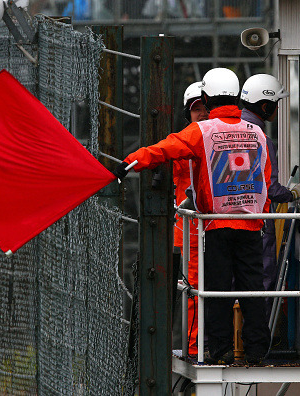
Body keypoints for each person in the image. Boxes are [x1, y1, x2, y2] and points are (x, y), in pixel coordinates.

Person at [113, 67, 272, 365]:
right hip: (251, 225)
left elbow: (164, 149)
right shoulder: (257, 133)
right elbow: (264, 177)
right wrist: (260, 218)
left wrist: (129, 162)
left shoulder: (203, 130)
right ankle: (256, 350)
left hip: (215, 223)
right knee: (252, 288)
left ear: (208, 98)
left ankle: (220, 349)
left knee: (214, 289)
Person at [239, 74, 300, 320]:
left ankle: (230, 340)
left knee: (231, 282)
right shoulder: (262, 139)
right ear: (265, 106)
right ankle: (257, 337)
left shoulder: (225, 130)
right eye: (275, 103)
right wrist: (292, 193)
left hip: (223, 219)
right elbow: (270, 188)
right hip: (257, 222)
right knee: (262, 280)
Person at [173, 81, 208, 355]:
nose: (202, 113)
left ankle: (213, 343)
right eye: (197, 109)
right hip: (190, 233)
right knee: (194, 290)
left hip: (210, 226)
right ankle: (196, 346)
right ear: (188, 112)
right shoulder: (183, 143)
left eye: (206, 107)